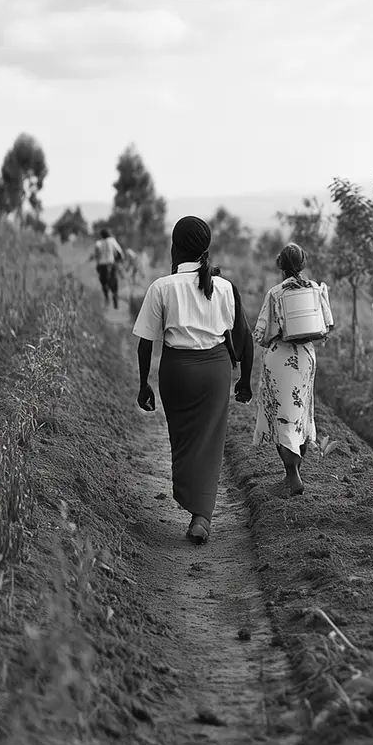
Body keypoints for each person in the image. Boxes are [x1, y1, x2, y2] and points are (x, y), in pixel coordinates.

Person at [132, 216, 254, 544]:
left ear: (175, 248)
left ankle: (195, 506)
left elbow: (146, 341)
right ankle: (202, 514)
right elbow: (244, 337)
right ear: (206, 249)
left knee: (183, 439)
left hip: (177, 372)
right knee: (210, 442)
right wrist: (245, 379)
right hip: (216, 372)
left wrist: (144, 383)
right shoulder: (225, 288)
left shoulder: (162, 287)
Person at [252, 243, 335, 495]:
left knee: (283, 416)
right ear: (303, 264)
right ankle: (294, 473)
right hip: (306, 358)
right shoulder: (316, 290)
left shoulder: (275, 293)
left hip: (281, 359)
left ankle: (292, 477)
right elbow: (327, 325)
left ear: (280, 265)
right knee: (300, 415)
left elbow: (260, 334)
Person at [90, 226, 125, 309]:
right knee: (114, 282)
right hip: (110, 265)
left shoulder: (98, 243)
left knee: (103, 283)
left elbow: (96, 254)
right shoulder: (112, 241)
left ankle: (106, 298)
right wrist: (119, 260)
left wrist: (93, 258)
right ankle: (115, 298)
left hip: (101, 266)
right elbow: (120, 252)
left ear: (101, 235)